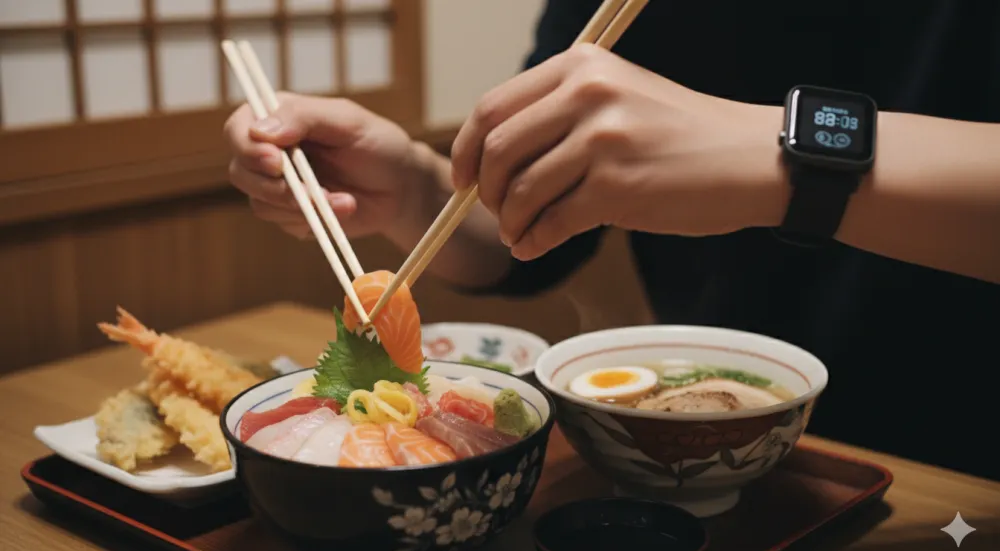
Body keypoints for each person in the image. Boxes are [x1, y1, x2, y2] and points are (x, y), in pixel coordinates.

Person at [225, 0, 1000, 481]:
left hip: (959, 476)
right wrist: (422, 189)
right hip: (701, 455)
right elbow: (535, 234)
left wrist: (786, 158)